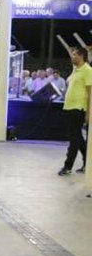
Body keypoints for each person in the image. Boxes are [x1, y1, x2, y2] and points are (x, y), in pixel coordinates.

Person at [57, 47, 92, 175]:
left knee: (74, 138)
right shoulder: (75, 70)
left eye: (75, 55)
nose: (72, 57)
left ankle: (68, 166)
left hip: (78, 108)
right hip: (69, 107)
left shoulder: (87, 71)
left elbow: (90, 93)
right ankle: (87, 163)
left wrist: (89, 112)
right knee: (77, 137)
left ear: (82, 56)